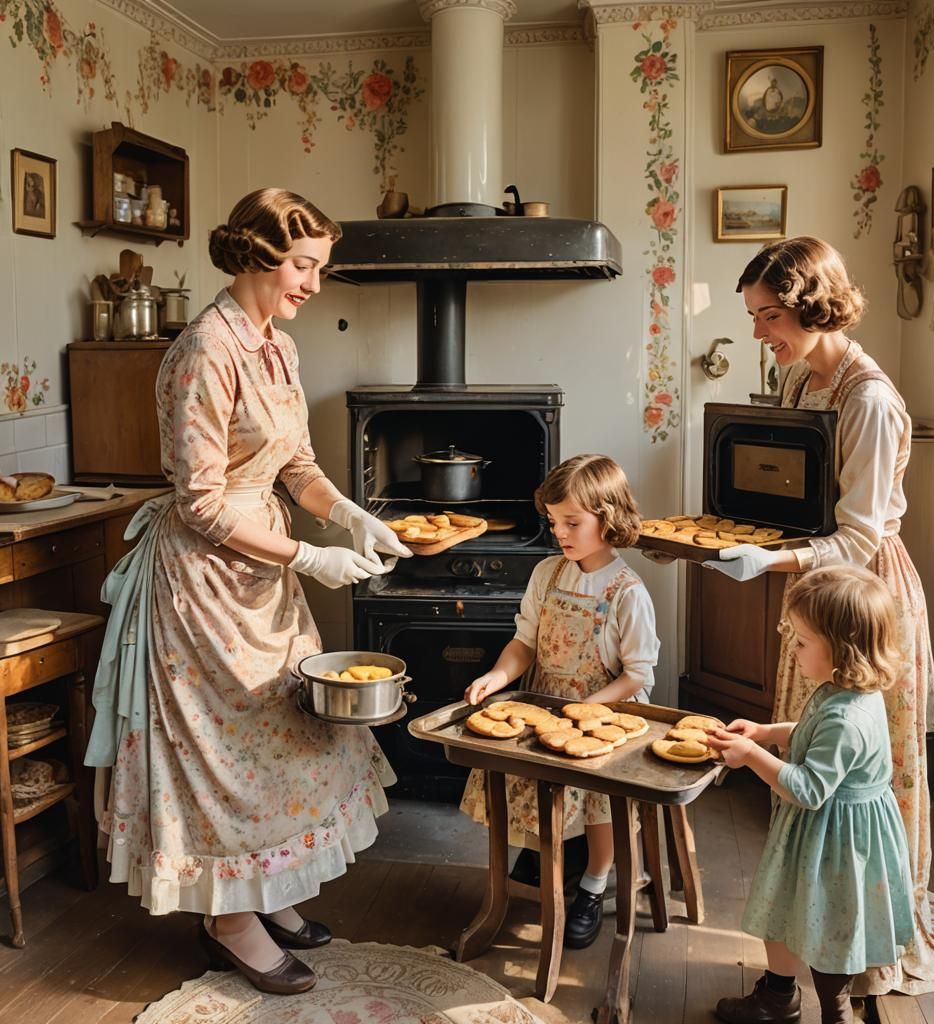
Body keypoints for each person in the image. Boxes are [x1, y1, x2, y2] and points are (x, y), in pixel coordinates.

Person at [85, 188, 411, 995]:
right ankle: (227, 919)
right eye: (304, 266)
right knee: (222, 755)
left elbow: (295, 464)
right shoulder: (205, 348)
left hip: (265, 571)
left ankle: (265, 893)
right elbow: (200, 504)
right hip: (204, 584)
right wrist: (311, 556)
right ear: (261, 257)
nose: (315, 284)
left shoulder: (278, 346)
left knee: (287, 735)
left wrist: (349, 516)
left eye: (320, 268)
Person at [700, 236, 934, 995]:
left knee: (863, 775)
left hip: (861, 599)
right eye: (754, 316)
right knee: (810, 748)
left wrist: (767, 562)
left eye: (769, 316)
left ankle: (866, 939)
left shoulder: (870, 400)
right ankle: (807, 928)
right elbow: (794, 485)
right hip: (818, 592)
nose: (759, 332)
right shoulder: (801, 380)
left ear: (812, 305)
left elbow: (858, 536)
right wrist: (734, 534)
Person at [459, 454, 659, 949]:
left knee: (598, 800)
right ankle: (540, 852)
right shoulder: (547, 573)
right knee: (525, 775)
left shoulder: (627, 592)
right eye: (553, 522)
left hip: (607, 711)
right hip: (546, 700)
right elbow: (524, 643)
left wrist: (585, 713)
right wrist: (497, 676)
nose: (560, 533)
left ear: (607, 519)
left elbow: (638, 674)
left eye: (572, 522)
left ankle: (593, 882)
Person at [707, 567, 915, 1024]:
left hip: (838, 843)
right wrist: (764, 733)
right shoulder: (842, 693)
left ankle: (836, 1013)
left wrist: (749, 756)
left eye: (801, 641)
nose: (792, 648)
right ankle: (778, 996)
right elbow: (810, 734)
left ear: (843, 649)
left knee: (829, 932)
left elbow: (808, 788)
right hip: (819, 835)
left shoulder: (848, 719)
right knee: (783, 911)